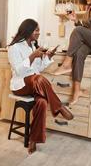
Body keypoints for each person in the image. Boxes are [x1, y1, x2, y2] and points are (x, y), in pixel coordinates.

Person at [8, 19, 74, 154]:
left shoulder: (32, 47)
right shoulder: (14, 48)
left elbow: (38, 69)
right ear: (28, 31)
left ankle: (33, 140)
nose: (39, 33)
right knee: (38, 78)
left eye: (39, 30)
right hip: (20, 85)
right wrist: (32, 56)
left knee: (42, 102)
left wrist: (48, 57)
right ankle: (59, 107)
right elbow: (19, 71)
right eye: (36, 30)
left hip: (35, 84)